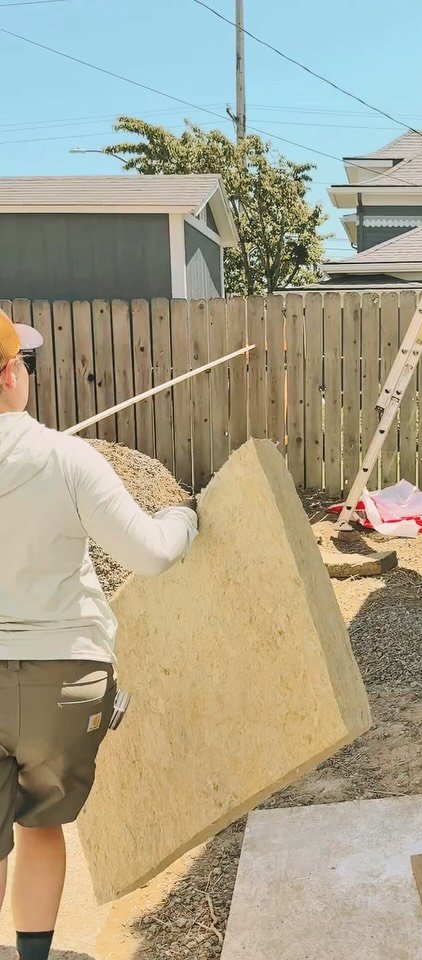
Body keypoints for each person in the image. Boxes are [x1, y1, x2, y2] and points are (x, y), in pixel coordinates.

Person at [0, 309, 197, 960]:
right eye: (21, 362)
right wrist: (180, 518)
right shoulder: (67, 460)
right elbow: (151, 555)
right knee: (40, 826)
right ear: (9, 377)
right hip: (65, 683)